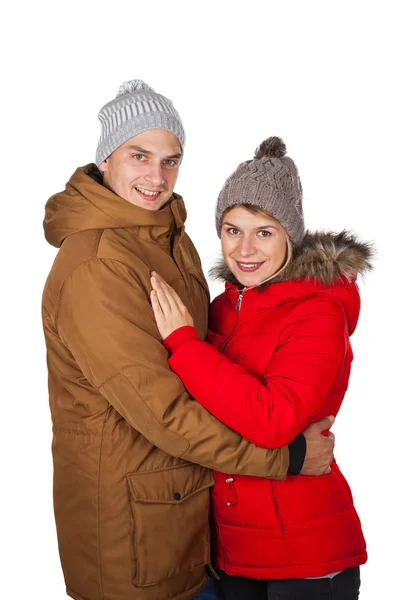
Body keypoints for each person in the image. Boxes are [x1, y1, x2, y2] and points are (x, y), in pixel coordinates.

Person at [42, 81, 334, 600]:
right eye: (139, 156)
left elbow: (215, 376)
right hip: (132, 539)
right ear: (106, 157)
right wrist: (284, 460)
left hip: (188, 521)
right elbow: (164, 411)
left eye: (171, 160)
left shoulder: (164, 238)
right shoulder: (98, 267)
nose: (157, 177)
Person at [150, 136, 371, 600]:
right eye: (232, 230)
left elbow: (273, 420)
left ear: (290, 234)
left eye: (264, 232)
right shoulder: (223, 308)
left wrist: (184, 345)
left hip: (306, 556)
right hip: (235, 549)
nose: (245, 248)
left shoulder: (317, 311)